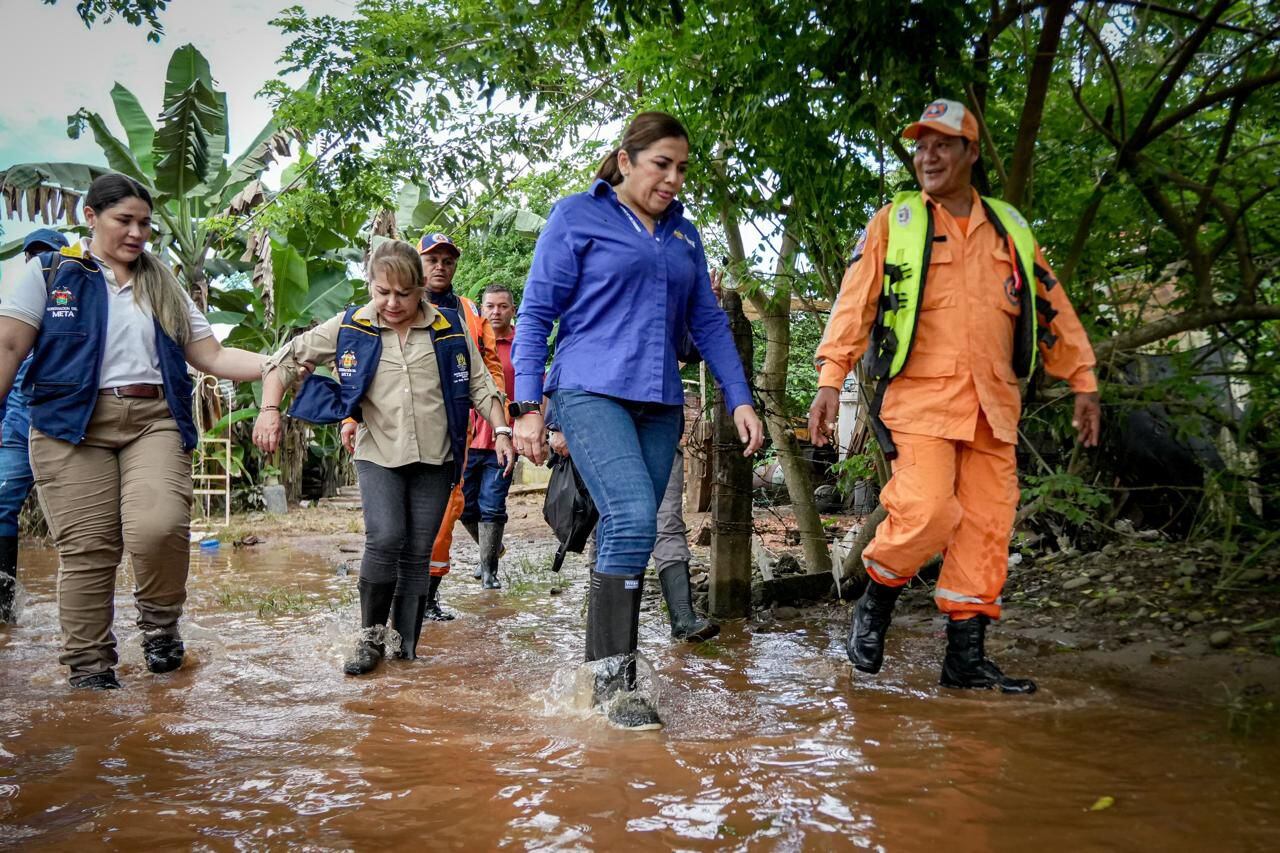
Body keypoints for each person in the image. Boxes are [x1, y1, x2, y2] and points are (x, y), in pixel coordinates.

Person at [808, 99, 1101, 694]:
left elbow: (1049, 307)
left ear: (971, 152)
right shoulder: (897, 222)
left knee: (986, 529)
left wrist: (1083, 380)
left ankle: (965, 660)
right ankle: (875, 606)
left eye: (942, 144)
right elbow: (855, 304)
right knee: (929, 511)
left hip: (995, 408)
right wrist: (828, 378)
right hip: (920, 404)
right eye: (921, 145)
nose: (928, 155)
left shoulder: (1010, 228)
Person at [512, 112, 764, 729]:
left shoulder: (685, 236)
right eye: (661, 164)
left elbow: (706, 322)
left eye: (682, 168)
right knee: (627, 517)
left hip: (659, 401)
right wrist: (525, 407)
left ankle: (611, 676)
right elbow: (536, 313)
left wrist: (739, 397)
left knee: (638, 530)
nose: (674, 178)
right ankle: (612, 690)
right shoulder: (577, 216)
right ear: (626, 161)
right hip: (588, 389)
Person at [0, 173, 269, 690]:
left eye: (144, 223)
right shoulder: (51, 272)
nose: (136, 232)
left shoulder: (162, 282)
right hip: (67, 425)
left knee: (160, 526)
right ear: (91, 216)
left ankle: (161, 630)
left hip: (153, 421)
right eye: (124, 220)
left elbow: (211, 356)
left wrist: (277, 360)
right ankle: (90, 670)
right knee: (88, 549)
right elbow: (10, 349)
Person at [257, 239, 511, 674]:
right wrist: (268, 410)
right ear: (371, 286)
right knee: (386, 537)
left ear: (419, 289)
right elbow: (285, 360)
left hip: (437, 455)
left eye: (404, 294)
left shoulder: (450, 328)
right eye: (382, 292)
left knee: (417, 549)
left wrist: (503, 429)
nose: (392, 303)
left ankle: (406, 645)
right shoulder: (351, 325)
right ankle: (370, 638)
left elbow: (480, 387)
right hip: (378, 452)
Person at [0, 229, 70, 622]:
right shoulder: (15, 309)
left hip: (63, 418)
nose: (40, 262)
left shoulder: (78, 304)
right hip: (16, 420)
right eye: (34, 255)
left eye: (47, 255)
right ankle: (2, 608)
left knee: (78, 516)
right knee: (1, 503)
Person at [461, 283, 518, 589]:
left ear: (512, 310)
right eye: (490, 306)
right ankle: (491, 548)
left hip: (503, 438)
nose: (496, 312)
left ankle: (488, 572)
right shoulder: (469, 339)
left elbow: (532, 389)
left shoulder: (522, 344)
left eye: (502, 306)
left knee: (493, 504)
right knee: (463, 505)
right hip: (466, 437)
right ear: (481, 310)